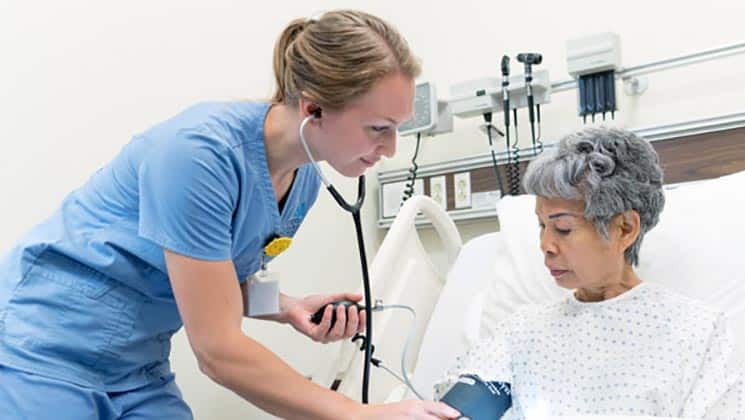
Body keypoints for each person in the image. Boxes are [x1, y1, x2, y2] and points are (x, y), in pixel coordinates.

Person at [0, 9, 460, 420]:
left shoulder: (302, 182)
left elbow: (211, 276)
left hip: (136, 368)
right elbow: (218, 350)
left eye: (397, 130)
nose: (391, 148)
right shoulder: (198, 155)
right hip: (44, 348)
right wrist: (359, 415)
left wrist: (286, 308)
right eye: (379, 129)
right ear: (313, 107)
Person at [436, 127, 745, 419]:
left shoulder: (696, 332)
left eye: (563, 228)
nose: (545, 245)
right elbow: (454, 410)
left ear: (625, 228)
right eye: (541, 226)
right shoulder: (521, 331)